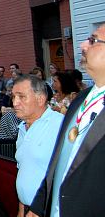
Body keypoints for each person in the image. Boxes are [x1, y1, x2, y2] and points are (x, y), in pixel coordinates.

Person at [29, 24, 105, 217]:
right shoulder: (80, 99)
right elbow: (60, 161)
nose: (83, 45)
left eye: (93, 40)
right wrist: (38, 207)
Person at [12, 74, 64, 216]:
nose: (15, 103)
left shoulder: (59, 125)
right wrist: (21, 209)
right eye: (13, 97)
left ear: (40, 99)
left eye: (21, 97)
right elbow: (25, 171)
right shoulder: (23, 128)